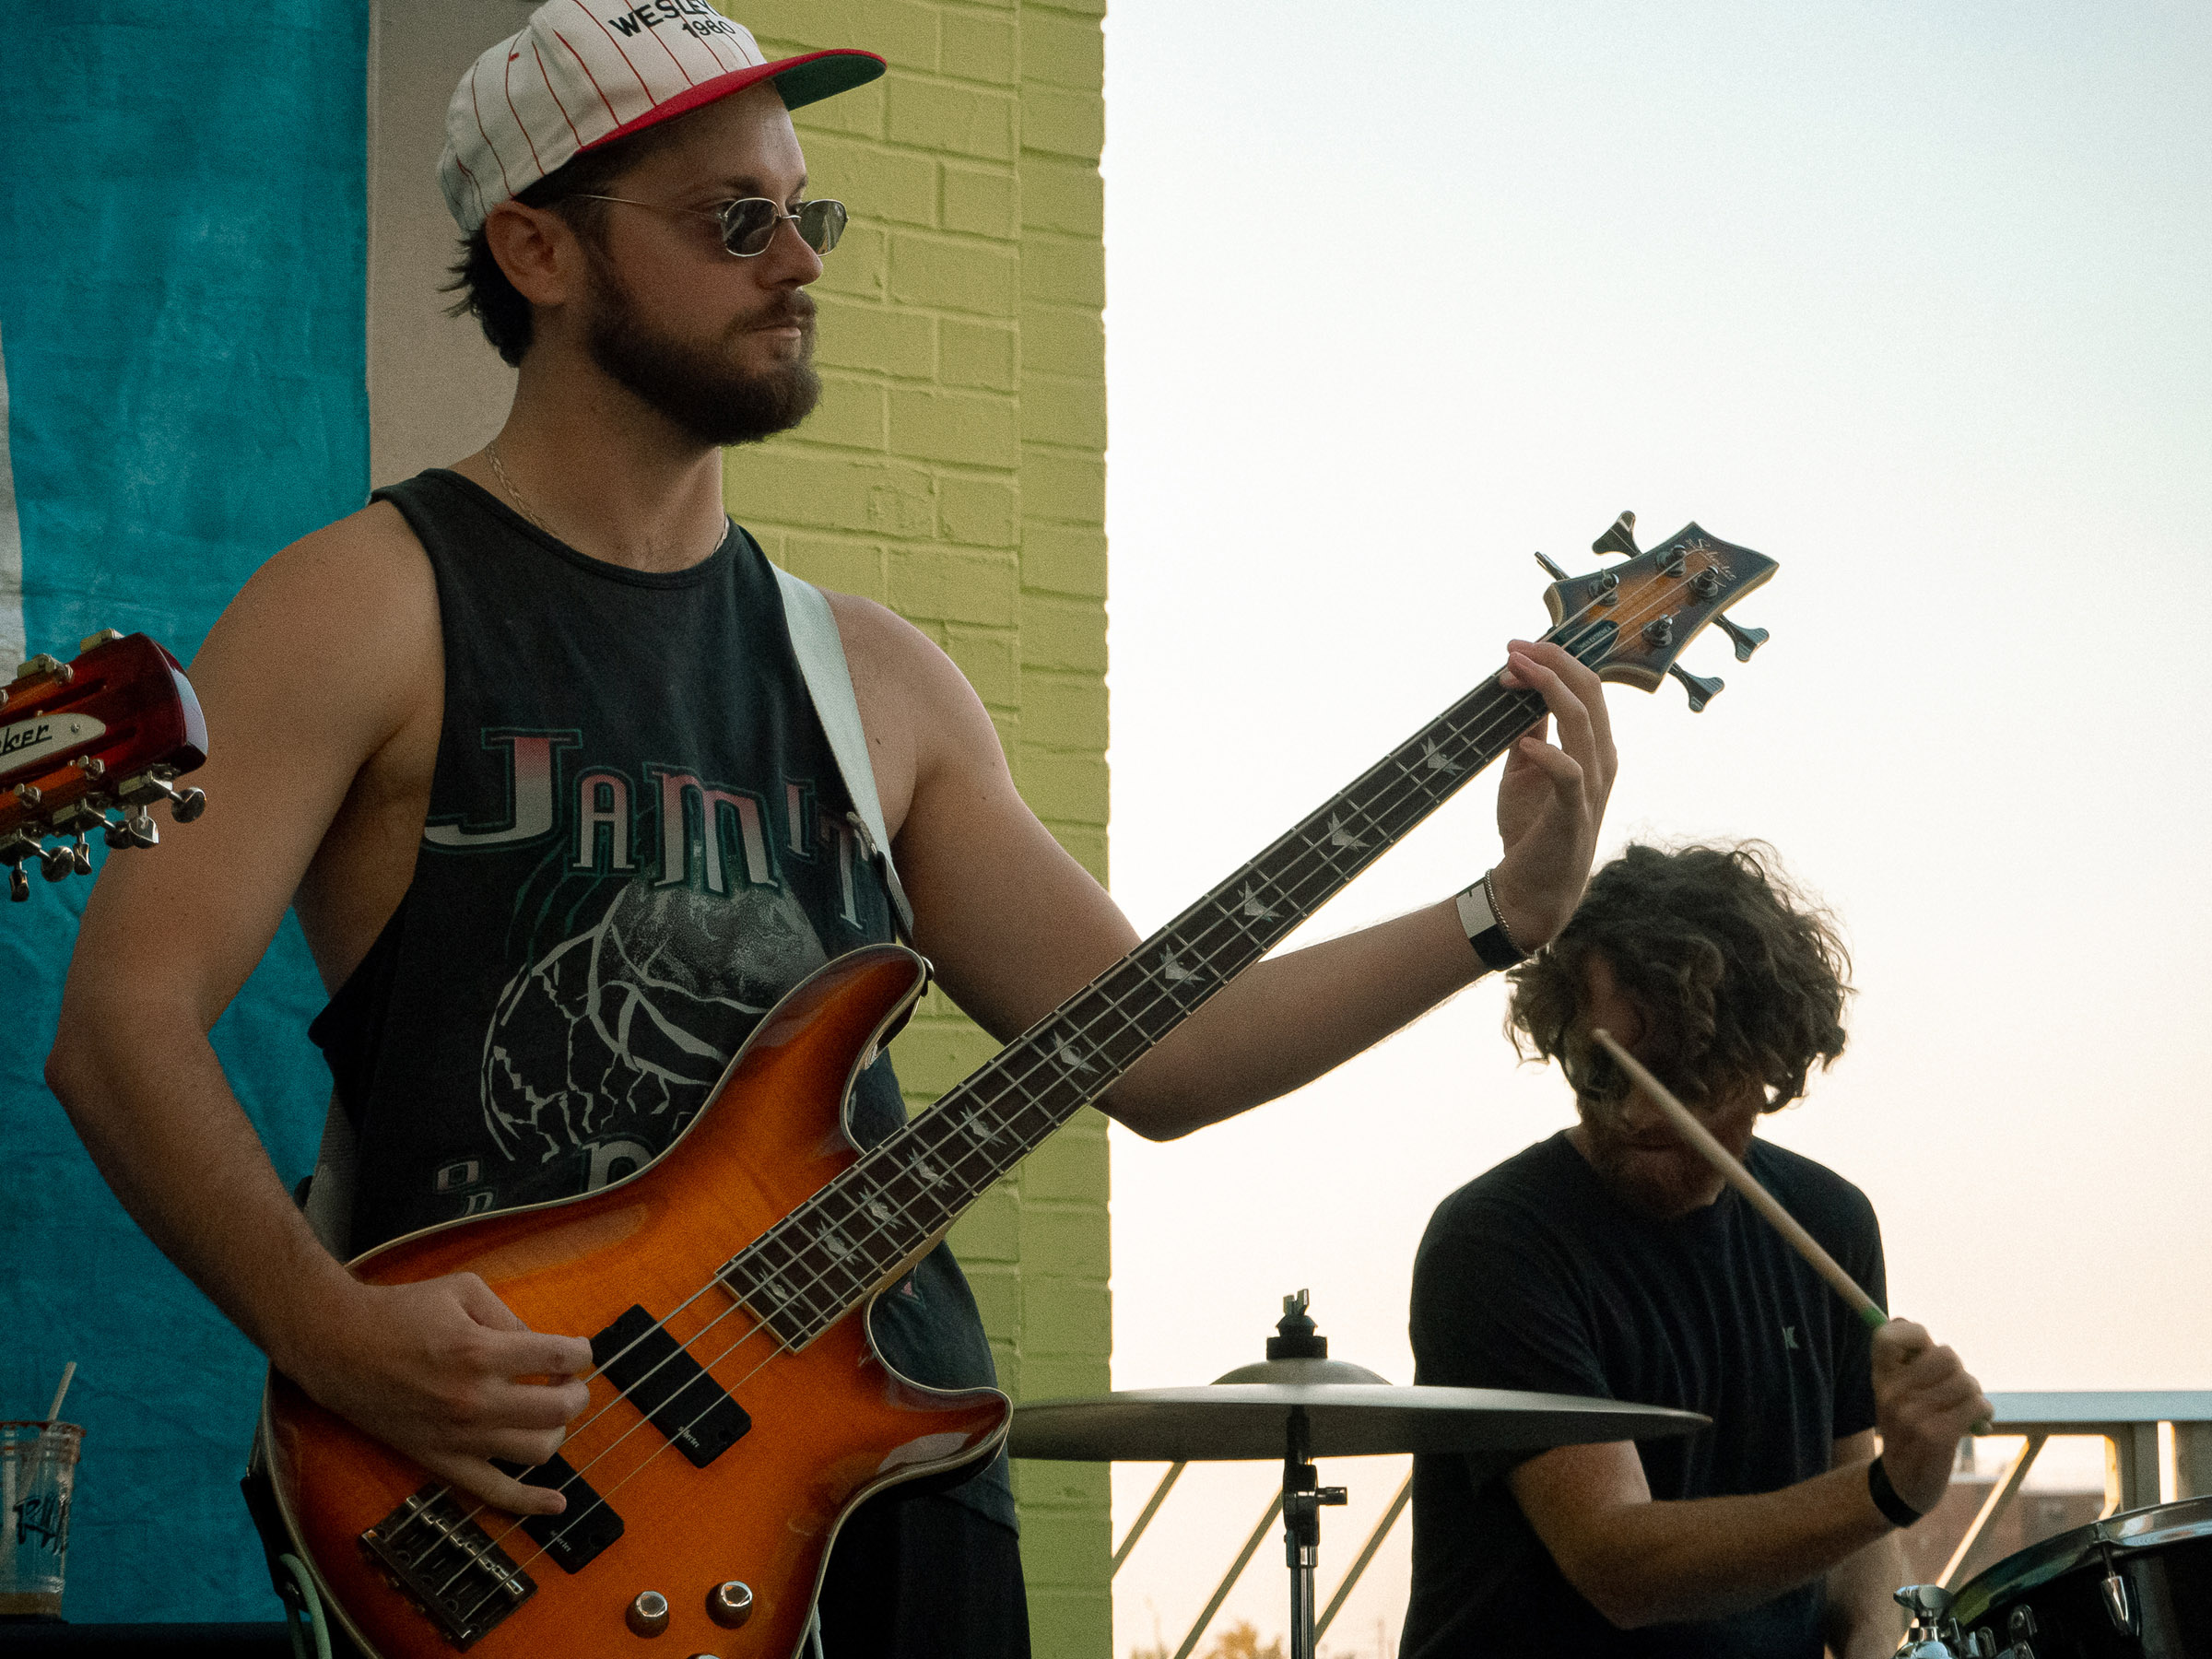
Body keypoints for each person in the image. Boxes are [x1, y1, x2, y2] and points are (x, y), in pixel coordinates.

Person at [41, 5, 1620, 1654]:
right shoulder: (365, 605)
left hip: (900, 1488)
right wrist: (332, 1336)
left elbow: (1163, 1053)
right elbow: (121, 1027)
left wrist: (1497, 915)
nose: (799, 262)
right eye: (736, 222)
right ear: (537, 249)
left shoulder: (875, 677)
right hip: (546, 1511)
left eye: (808, 214)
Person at [1403, 843, 1990, 1659]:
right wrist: (1888, 1490)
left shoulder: (1831, 1220)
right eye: (1604, 1072)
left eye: (1681, 1077)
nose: (1637, 1113)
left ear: (1765, 1063)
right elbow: (1620, 1567)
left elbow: (1854, 1549)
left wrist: (1870, 1641)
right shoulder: (1495, 1243)